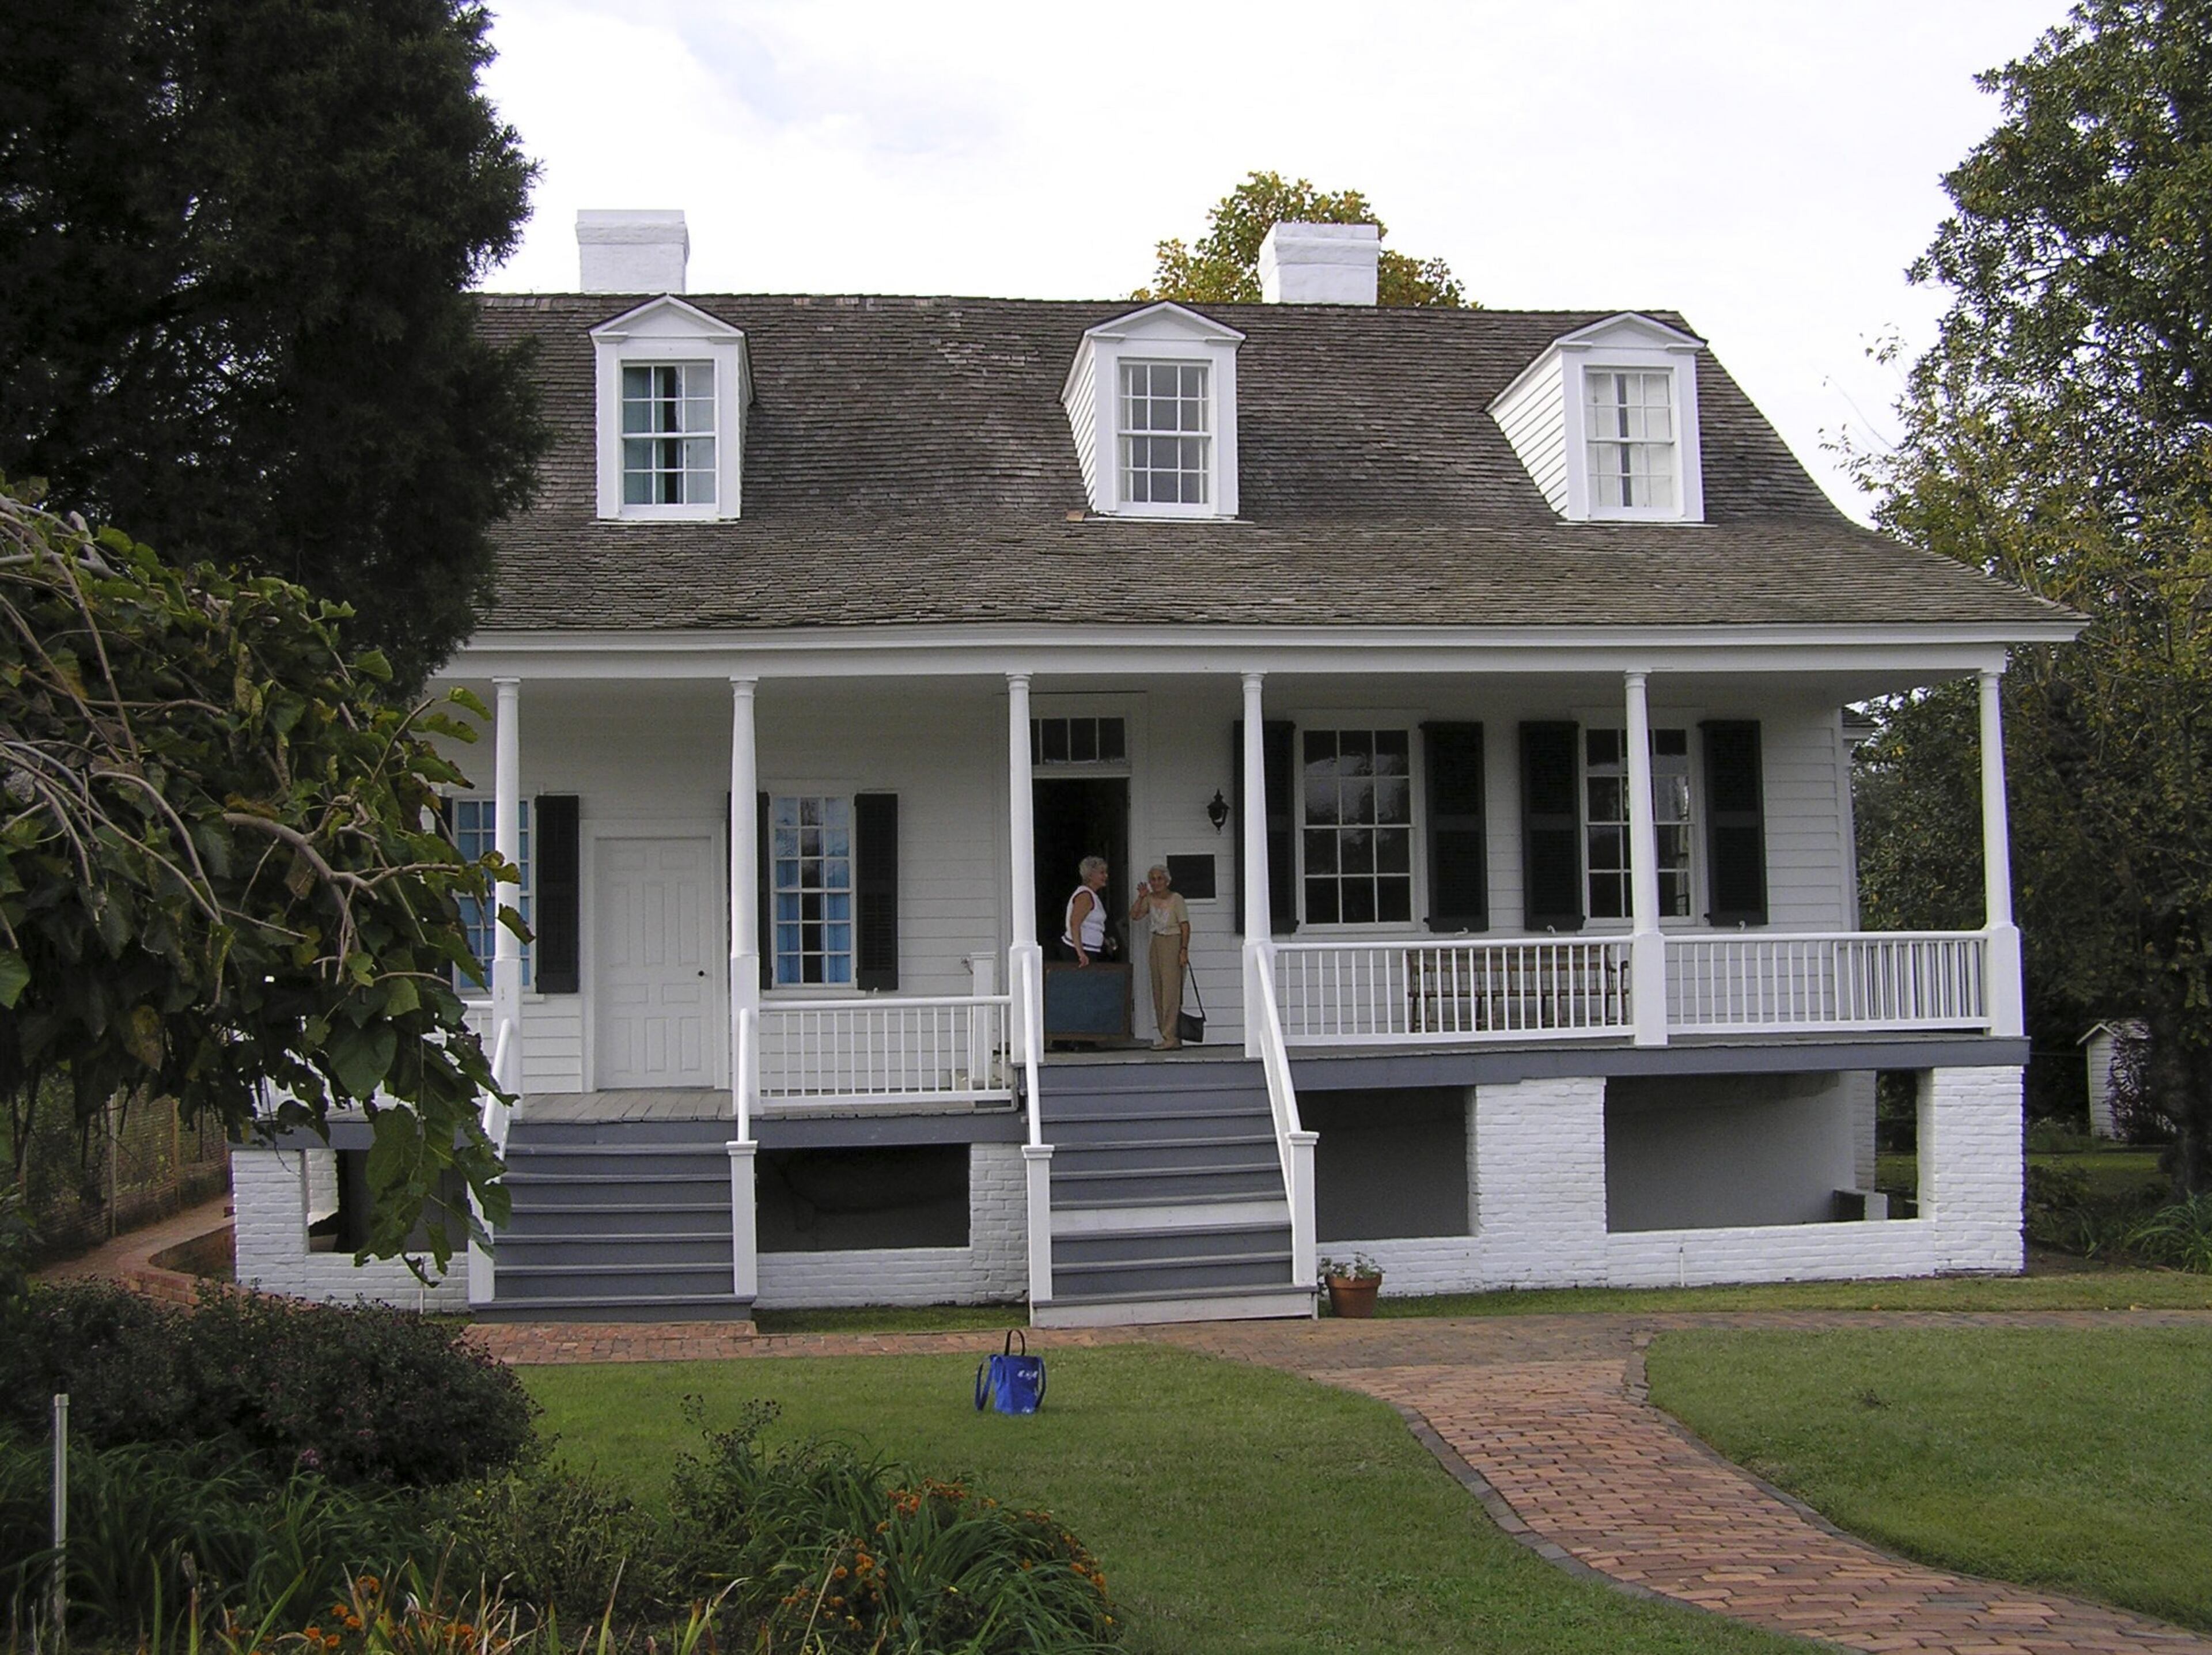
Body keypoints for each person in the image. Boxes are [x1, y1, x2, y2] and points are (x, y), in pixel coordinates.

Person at [1131, 863, 1191, 1050]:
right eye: (1153, 879)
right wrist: (1141, 898)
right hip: (1156, 942)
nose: (1156, 882)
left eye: (1160, 879)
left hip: (1173, 942)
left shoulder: (1176, 899)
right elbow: (1135, 916)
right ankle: (1165, 1036)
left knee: (1171, 992)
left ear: (1167, 880)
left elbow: (1185, 926)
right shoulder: (1149, 898)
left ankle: (1171, 1036)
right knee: (1158, 989)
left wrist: (1183, 950)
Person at [1062, 855, 1112, 965]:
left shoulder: (1093, 895)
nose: (1106, 876)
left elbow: (1091, 924)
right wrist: (1081, 954)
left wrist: (1104, 940)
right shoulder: (1085, 896)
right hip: (1080, 952)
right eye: (1102, 873)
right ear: (1090, 875)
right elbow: (1075, 924)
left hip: (1091, 949)